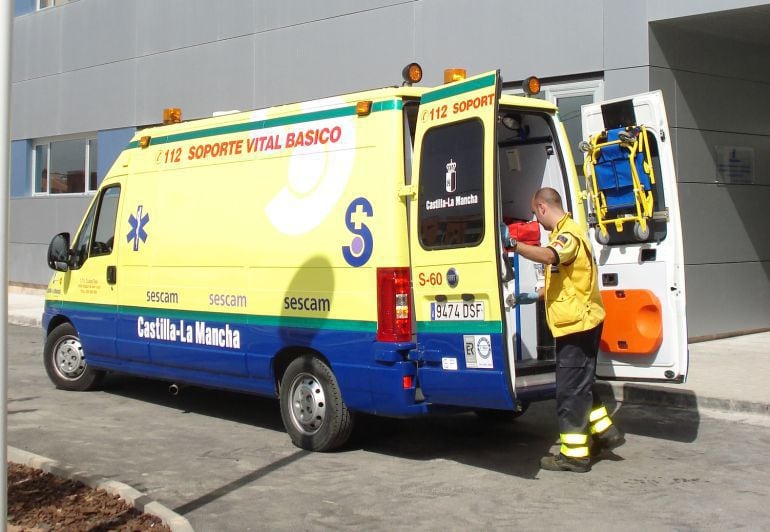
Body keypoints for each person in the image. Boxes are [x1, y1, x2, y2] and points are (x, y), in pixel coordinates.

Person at [503, 187, 624, 473]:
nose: (536, 218)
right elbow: (568, 281)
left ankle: (574, 455)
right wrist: (536, 295)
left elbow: (550, 257)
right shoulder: (567, 232)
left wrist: (514, 244)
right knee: (580, 384)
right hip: (577, 322)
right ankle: (605, 433)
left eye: (535, 212)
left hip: (577, 325)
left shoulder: (567, 235)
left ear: (543, 207)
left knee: (569, 391)